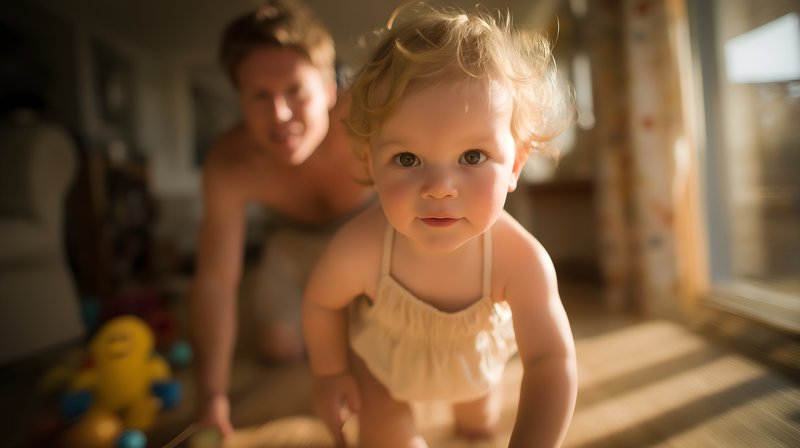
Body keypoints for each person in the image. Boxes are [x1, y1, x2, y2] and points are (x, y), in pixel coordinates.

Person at [302, 3, 578, 447]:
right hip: (383, 370)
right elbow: (322, 303)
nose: (439, 188)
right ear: (371, 164)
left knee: (478, 427)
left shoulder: (520, 260)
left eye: (472, 156)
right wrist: (330, 373)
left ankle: (474, 411)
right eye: (407, 159)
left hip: (472, 368)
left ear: (515, 165)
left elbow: (550, 360)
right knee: (387, 437)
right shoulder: (361, 248)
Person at [189, 0, 375, 436]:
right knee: (279, 347)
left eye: (296, 90)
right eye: (260, 96)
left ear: (329, 89)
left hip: (370, 234)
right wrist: (212, 396)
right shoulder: (230, 163)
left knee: (373, 352)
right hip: (291, 245)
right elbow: (216, 282)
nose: (280, 114)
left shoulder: (371, 122)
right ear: (239, 98)